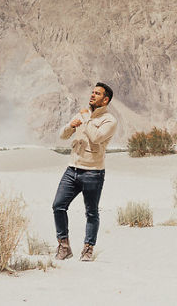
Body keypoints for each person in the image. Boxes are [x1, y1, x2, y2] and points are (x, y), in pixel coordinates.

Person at [52, 82, 118, 262]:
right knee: (58, 206)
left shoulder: (109, 121)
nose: (92, 95)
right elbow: (63, 135)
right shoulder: (82, 114)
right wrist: (71, 126)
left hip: (93, 172)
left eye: (97, 93)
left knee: (91, 213)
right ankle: (64, 246)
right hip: (72, 169)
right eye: (92, 92)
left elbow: (96, 137)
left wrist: (85, 119)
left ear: (106, 100)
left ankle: (88, 249)